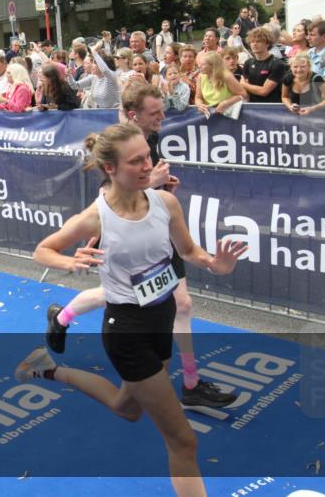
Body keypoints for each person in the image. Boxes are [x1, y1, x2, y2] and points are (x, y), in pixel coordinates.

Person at [16, 122, 247, 497]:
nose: (147, 166)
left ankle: (47, 369)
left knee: (127, 407)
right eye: (136, 161)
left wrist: (216, 264)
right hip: (126, 330)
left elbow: (187, 252)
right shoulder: (95, 218)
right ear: (110, 168)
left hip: (161, 319)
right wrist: (70, 263)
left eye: (148, 157)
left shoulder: (165, 203)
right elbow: (43, 250)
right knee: (184, 442)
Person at [44, 84, 237, 406]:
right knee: (134, 298)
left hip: (157, 236)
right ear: (135, 115)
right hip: (128, 234)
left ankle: (189, 383)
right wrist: (154, 184)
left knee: (175, 304)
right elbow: (112, 193)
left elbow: (179, 235)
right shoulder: (121, 145)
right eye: (155, 112)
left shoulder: (150, 140)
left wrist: (162, 192)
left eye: (162, 110)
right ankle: (188, 383)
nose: (162, 116)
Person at [240, 27, 287, 103]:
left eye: (258, 41)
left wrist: (243, 84)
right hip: (251, 107)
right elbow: (247, 92)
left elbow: (264, 91)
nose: (254, 44)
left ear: (267, 43)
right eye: (252, 41)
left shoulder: (277, 64)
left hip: (270, 108)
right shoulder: (248, 63)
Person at [194, 51, 247, 117]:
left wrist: (226, 103)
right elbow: (198, 97)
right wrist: (199, 105)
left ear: (212, 65)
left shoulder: (226, 76)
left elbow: (243, 95)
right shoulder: (201, 77)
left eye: (203, 64)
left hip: (228, 115)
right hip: (209, 116)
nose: (199, 66)